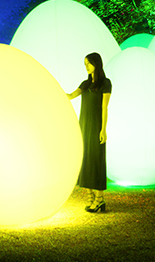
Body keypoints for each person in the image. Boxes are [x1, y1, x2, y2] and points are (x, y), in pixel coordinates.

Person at [67, 52, 111, 213]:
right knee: (85, 160)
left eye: (89, 63)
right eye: (85, 63)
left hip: (96, 127)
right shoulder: (85, 84)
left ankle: (99, 199)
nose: (86, 66)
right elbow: (71, 95)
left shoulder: (105, 83)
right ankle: (90, 197)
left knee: (97, 161)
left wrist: (103, 129)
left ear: (96, 64)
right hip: (83, 127)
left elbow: (104, 107)